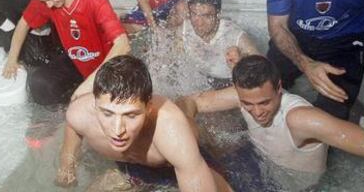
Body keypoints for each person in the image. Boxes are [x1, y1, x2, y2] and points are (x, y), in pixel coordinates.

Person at [177, 55, 364, 177]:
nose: (257, 111)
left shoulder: (301, 119)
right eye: (247, 104)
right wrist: (188, 135)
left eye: (264, 102)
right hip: (261, 168)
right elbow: (189, 102)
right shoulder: (241, 95)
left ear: (279, 88)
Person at [55, 55, 233, 192]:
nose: (117, 130)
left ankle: (190, 105)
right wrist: (67, 164)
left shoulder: (170, 127)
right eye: (108, 113)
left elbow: (193, 173)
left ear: (148, 108)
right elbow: (72, 131)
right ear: (95, 105)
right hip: (133, 169)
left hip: (181, 162)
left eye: (131, 115)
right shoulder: (79, 113)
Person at [2, 0, 130, 105]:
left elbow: (123, 44)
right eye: (44, 1)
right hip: (76, 61)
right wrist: (12, 59)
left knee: (104, 103)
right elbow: (23, 23)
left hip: (107, 65)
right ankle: (62, 113)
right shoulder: (46, 0)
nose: (48, 5)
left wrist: (88, 84)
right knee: (39, 82)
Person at [176, 0, 259, 88]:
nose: (199, 22)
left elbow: (262, 70)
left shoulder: (235, 36)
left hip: (230, 84)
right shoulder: (184, 30)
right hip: (198, 81)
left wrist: (241, 63)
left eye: (206, 16)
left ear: (218, 14)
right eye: (194, 14)